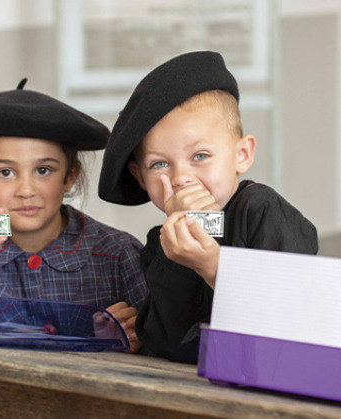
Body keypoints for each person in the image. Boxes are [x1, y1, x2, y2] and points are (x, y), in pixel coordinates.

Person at [98, 51, 318, 363]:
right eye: (160, 163)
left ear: (241, 154)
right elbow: (167, 347)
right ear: (141, 178)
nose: (181, 178)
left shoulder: (262, 212)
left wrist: (212, 265)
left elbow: (294, 322)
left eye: (200, 156)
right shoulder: (161, 243)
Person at [0, 79, 148, 352]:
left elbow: (161, 348)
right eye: (5, 172)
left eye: (43, 170)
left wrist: (134, 340)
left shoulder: (120, 254)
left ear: (70, 176)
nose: (26, 190)